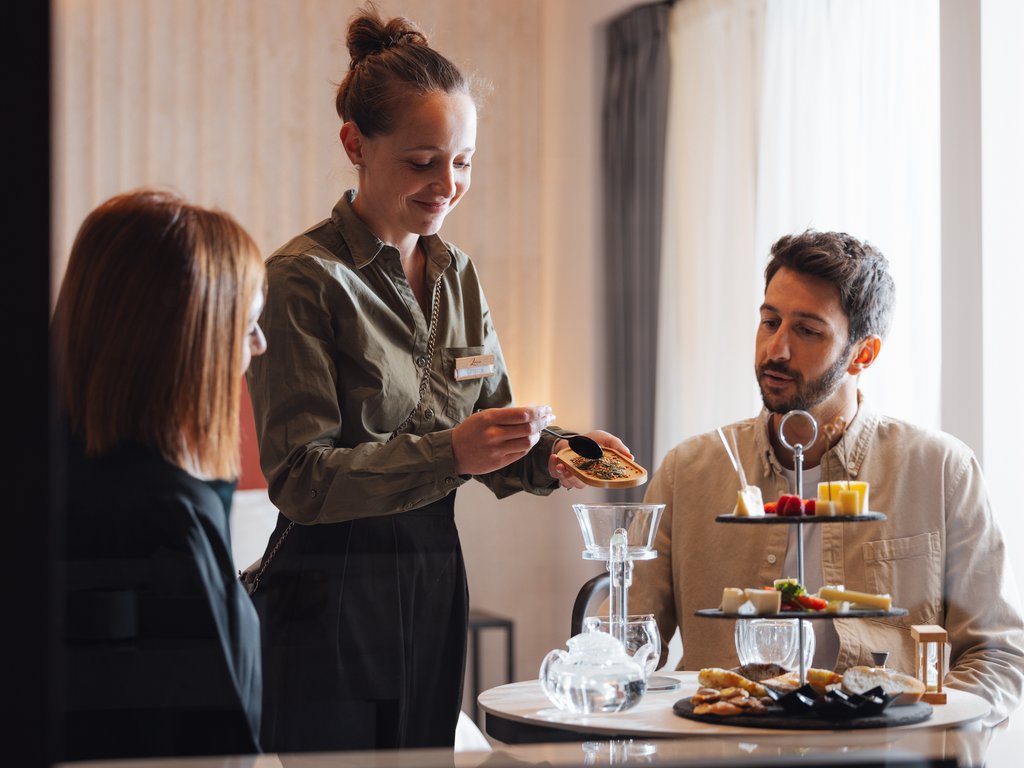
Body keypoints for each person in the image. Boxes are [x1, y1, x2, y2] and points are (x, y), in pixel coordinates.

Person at [244, 5, 630, 753]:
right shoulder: (302, 280)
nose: (448, 185)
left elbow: (490, 423)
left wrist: (552, 451)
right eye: (423, 162)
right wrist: (451, 452)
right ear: (356, 144)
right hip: (328, 592)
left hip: (434, 581)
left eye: (464, 161)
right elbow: (300, 480)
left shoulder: (458, 275)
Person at [631, 229, 1024, 726]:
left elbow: (998, 655)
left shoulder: (941, 470)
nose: (776, 349)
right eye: (769, 321)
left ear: (863, 354)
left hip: (886, 757)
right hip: (720, 751)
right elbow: (625, 644)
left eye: (808, 331)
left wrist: (926, 738)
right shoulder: (687, 471)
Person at [52, 188, 267, 759]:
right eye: (246, 326)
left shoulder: (61, 481)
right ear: (186, 341)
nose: (259, 346)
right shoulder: (161, 520)